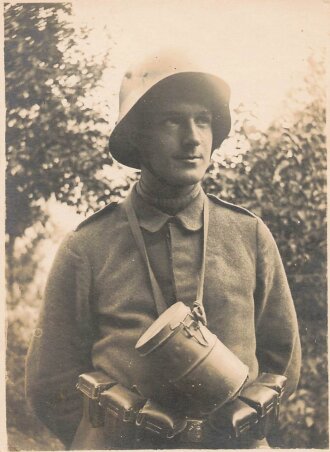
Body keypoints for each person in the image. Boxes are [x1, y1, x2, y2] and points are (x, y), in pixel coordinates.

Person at [26, 50, 301, 450]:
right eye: (173, 120)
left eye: (202, 120)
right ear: (138, 134)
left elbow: (283, 361)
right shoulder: (87, 246)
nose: (192, 138)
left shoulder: (249, 235)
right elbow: (50, 382)